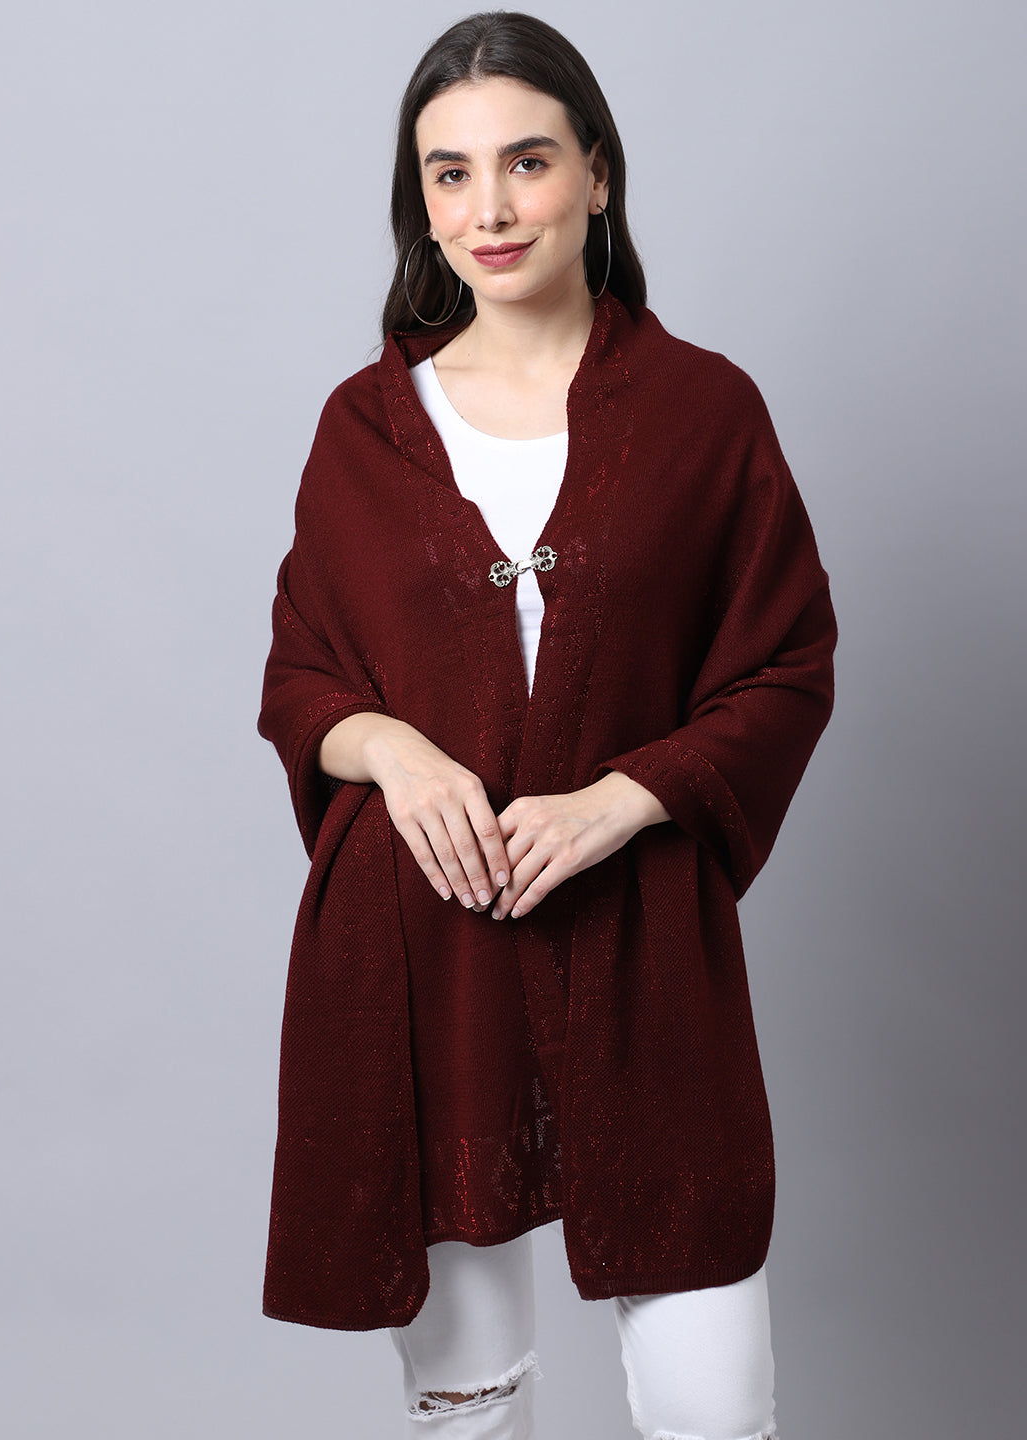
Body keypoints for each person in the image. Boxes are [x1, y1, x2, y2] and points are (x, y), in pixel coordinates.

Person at [258, 12, 835, 1438]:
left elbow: (784, 664)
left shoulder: (704, 413)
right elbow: (301, 679)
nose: (490, 209)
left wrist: (625, 796)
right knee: (469, 1408)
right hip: (421, 948)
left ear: (596, 174)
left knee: (715, 1406)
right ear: (421, 204)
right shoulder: (364, 427)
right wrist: (392, 751)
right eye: (449, 175)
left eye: (526, 162)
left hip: (644, 944)